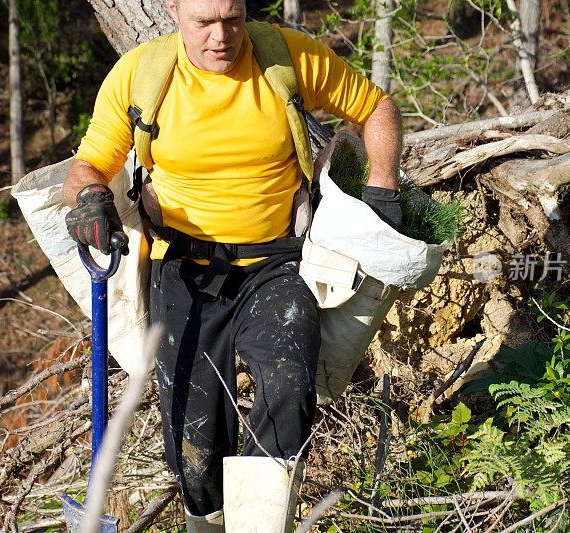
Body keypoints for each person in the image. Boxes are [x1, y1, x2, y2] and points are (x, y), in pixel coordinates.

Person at [62, 0, 403, 530]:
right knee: (192, 443)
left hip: (277, 265)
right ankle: (208, 522)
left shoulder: (285, 59)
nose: (222, 36)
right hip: (185, 270)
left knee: (289, 390)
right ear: (173, 10)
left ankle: (263, 522)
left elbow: (375, 106)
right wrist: (88, 200)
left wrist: (382, 186)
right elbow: (88, 165)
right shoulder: (142, 76)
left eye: (233, 18)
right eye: (204, 22)